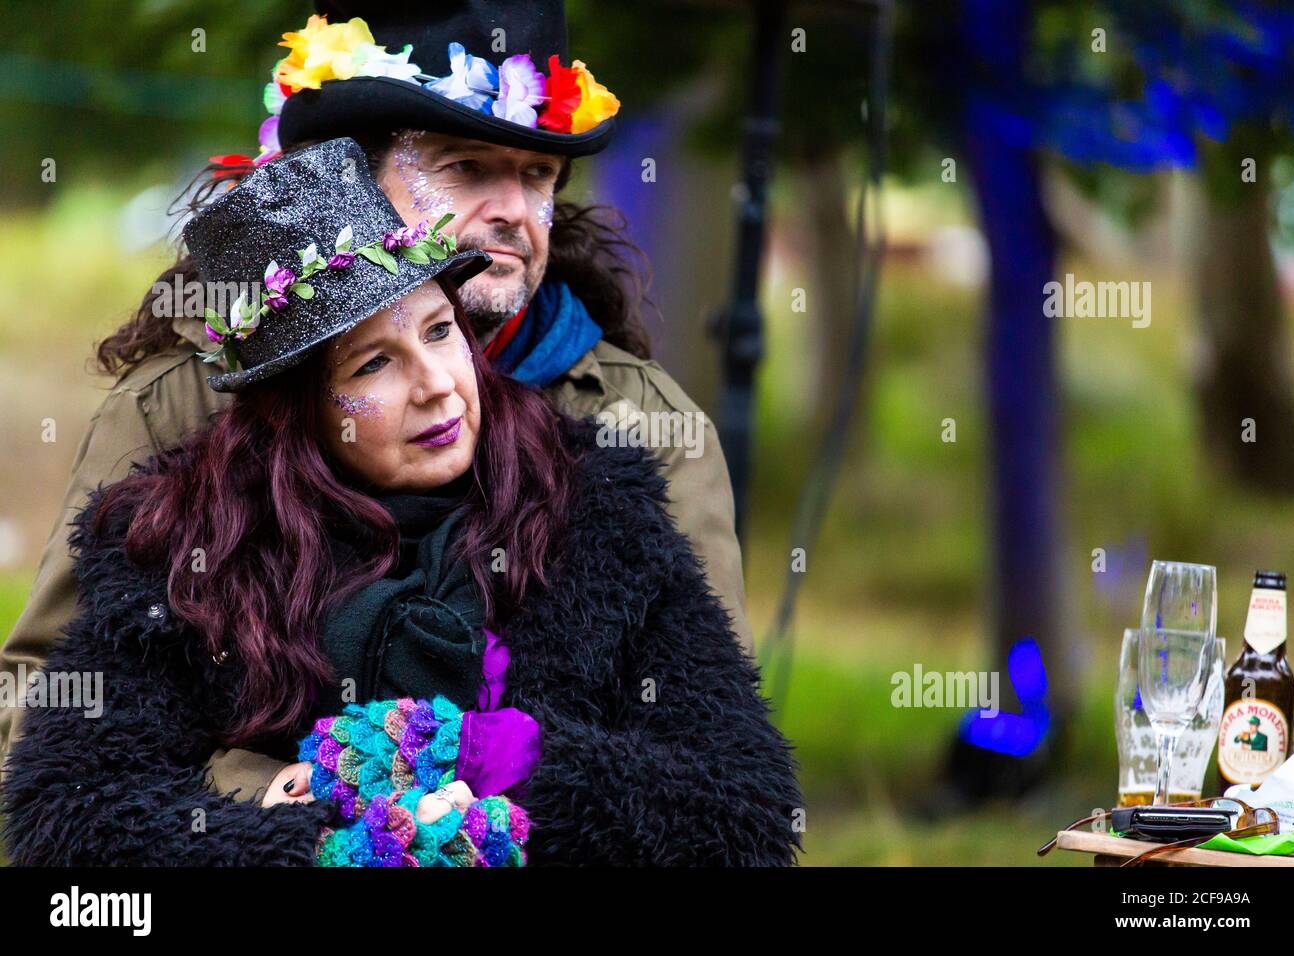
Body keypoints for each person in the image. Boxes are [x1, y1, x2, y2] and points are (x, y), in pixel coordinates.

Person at [0, 0, 753, 803]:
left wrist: (483, 798)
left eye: (536, 175)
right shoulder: (184, 400)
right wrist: (276, 796)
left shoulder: (644, 423)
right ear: (350, 177)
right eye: (465, 167)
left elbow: (708, 749)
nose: (512, 209)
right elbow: (46, 712)